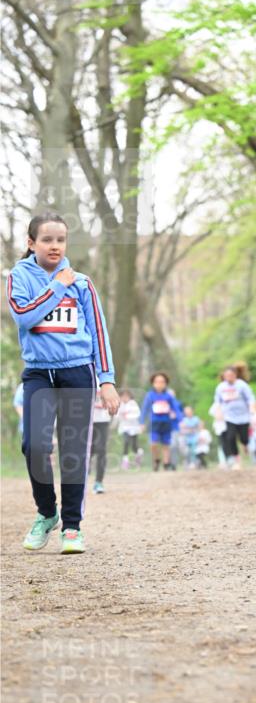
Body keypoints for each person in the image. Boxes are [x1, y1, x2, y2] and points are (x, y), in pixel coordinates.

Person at [6, 212, 119, 554]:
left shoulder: (82, 282)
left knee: (73, 452)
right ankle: (46, 512)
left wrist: (107, 379)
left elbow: (98, 331)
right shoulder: (19, 277)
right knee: (35, 446)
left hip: (76, 372)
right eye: (47, 240)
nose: (54, 246)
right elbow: (24, 317)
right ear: (31, 243)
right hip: (39, 372)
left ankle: (72, 526)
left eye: (60, 240)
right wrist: (57, 286)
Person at [213, 366, 254, 469]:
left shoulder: (242, 385)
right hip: (229, 417)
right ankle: (236, 460)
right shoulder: (221, 387)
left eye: (230, 375)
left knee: (244, 438)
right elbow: (217, 401)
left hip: (243, 417)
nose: (228, 377)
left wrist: (252, 407)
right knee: (230, 437)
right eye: (226, 376)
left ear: (235, 375)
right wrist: (218, 412)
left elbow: (250, 398)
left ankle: (245, 444)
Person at [140, 372, 180, 471]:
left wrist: (179, 418)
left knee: (166, 444)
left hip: (166, 422)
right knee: (153, 443)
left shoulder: (169, 396)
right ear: (153, 383)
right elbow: (144, 409)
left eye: (162, 382)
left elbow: (175, 408)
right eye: (157, 382)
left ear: (166, 383)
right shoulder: (150, 395)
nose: (159, 384)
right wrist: (142, 422)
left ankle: (166, 464)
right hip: (154, 423)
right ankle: (157, 459)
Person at [90, 383, 111, 493]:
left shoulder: (105, 378)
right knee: (89, 450)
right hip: (86, 421)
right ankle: (81, 479)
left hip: (103, 421)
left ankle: (99, 482)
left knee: (101, 450)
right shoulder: (83, 376)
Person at [116, 388, 142, 468]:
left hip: (133, 427)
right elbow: (116, 415)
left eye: (126, 396)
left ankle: (139, 453)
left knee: (134, 446)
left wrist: (127, 416)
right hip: (124, 427)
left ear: (130, 396)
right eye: (123, 396)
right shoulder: (119, 404)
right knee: (126, 442)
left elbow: (137, 414)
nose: (124, 398)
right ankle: (125, 460)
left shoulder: (133, 403)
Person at [209, 400, 228, 468]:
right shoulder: (216, 404)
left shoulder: (228, 403)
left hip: (227, 427)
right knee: (221, 445)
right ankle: (222, 461)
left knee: (228, 444)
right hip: (219, 429)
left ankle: (229, 460)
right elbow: (211, 412)